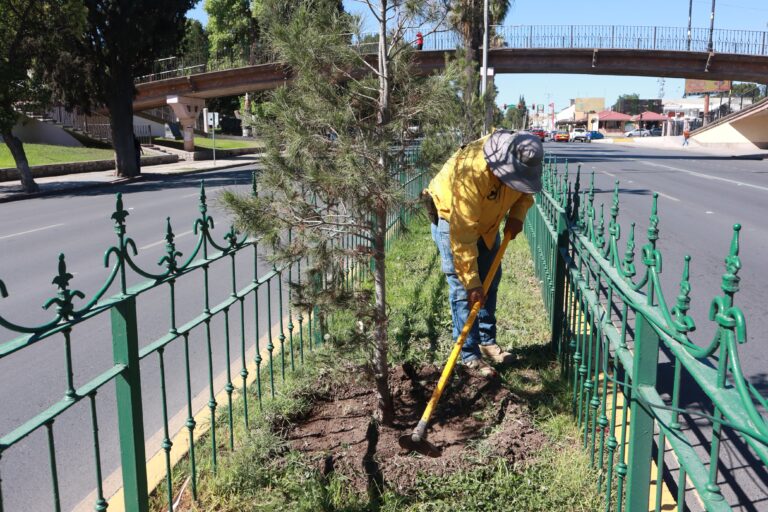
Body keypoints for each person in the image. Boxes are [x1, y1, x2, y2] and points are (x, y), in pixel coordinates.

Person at [424, 130, 543, 377]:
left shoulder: (525, 158)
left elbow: (525, 193)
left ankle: (487, 342)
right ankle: (469, 355)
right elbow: (463, 231)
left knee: (491, 278)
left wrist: (517, 216)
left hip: (488, 221)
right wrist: (471, 280)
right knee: (463, 288)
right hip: (452, 218)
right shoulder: (473, 171)